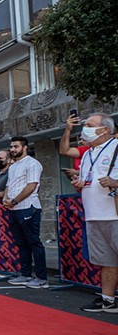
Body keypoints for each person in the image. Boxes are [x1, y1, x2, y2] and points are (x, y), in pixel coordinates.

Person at [70, 113, 118, 312]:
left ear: (104, 129)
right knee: (107, 261)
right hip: (93, 214)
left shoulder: (116, 146)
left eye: (90, 125)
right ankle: (108, 300)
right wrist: (79, 184)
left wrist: (116, 182)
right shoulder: (88, 153)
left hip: (114, 214)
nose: (85, 128)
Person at [4, 136, 47, 288]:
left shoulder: (33, 164)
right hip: (13, 209)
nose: (13, 149)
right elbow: (9, 186)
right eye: (11, 147)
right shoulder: (13, 166)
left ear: (25, 147)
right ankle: (25, 274)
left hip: (28, 207)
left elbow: (31, 186)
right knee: (21, 244)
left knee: (34, 242)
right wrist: (6, 199)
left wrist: (14, 200)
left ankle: (42, 278)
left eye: (16, 146)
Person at [59, 111, 90, 180]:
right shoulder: (79, 155)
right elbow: (63, 151)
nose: (80, 142)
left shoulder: (93, 150)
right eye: (80, 139)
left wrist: (76, 172)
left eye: (84, 140)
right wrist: (68, 129)